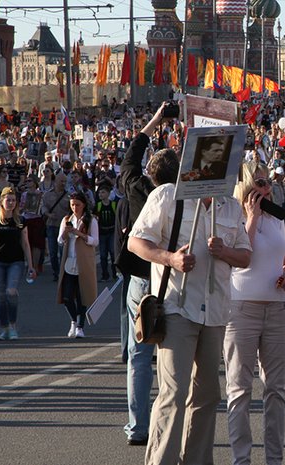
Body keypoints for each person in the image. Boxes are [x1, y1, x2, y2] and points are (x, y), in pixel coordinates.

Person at [129, 174, 251, 465]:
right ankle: (162, 461)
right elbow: (136, 242)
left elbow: (245, 256)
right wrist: (170, 258)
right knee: (174, 392)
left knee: (207, 395)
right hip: (176, 307)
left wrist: (226, 252)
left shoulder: (231, 205)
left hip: (216, 311)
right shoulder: (168, 195)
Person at [225, 161, 285, 465]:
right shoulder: (233, 216)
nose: (266, 189)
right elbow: (243, 256)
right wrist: (251, 218)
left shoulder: (278, 219)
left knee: (276, 391)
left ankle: (274, 460)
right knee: (240, 390)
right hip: (243, 309)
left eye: (267, 184)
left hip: (279, 308)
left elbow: (284, 258)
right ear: (246, 187)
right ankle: (242, 459)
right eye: (260, 183)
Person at [118, 103, 178, 446]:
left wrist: (156, 119)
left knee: (138, 356)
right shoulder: (184, 197)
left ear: (151, 174)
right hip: (174, 278)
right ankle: (172, 422)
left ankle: (138, 426)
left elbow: (133, 152)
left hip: (142, 280)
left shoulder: (137, 188)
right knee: (176, 353)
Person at [0, 186, 35, 340]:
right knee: (0, 295)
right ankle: (4, 329)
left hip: (15, 261)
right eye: (8, 200)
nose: (11, 203)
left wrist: (31, 266)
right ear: (1, 201)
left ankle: (13, 326)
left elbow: (25, 243)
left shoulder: (21, 221)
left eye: (13, 200)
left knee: (11, 291)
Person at [56, 192, 100, 339]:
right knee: (67, 296)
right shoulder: (67, 220)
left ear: (84, 205)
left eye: (78, 205)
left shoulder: (91, 220)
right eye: (72, 205)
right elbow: (60, 241)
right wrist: (66, 234)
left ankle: (81, 326)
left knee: (82, 295)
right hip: (69, 260)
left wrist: (79, 234)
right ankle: (74, 320)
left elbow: (95, 241)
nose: (75, 208)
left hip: (84, 260)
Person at [41, 174, 70, 280]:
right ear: (56, 181)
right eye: (61, 181)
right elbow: (43, 207)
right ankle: (55, 272)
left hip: (63, 227)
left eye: (65, 182)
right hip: (51, 226)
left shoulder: (68, 195)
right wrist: (48, 214)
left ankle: (63, 272)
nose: (63, 184)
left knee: (63, 252)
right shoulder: (48, 195)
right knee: (53, 252)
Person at [94, 184, 117, 281]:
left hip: (111, 232)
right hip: (102, 233)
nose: (101, 194)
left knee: (113, 254)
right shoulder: (98, 205)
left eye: (103, 192)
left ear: (108, 193)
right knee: (103, 255)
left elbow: (117, 219)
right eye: (99, 192)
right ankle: (105, 275)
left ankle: (115, 274)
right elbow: (94, 218)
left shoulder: (113, 204)